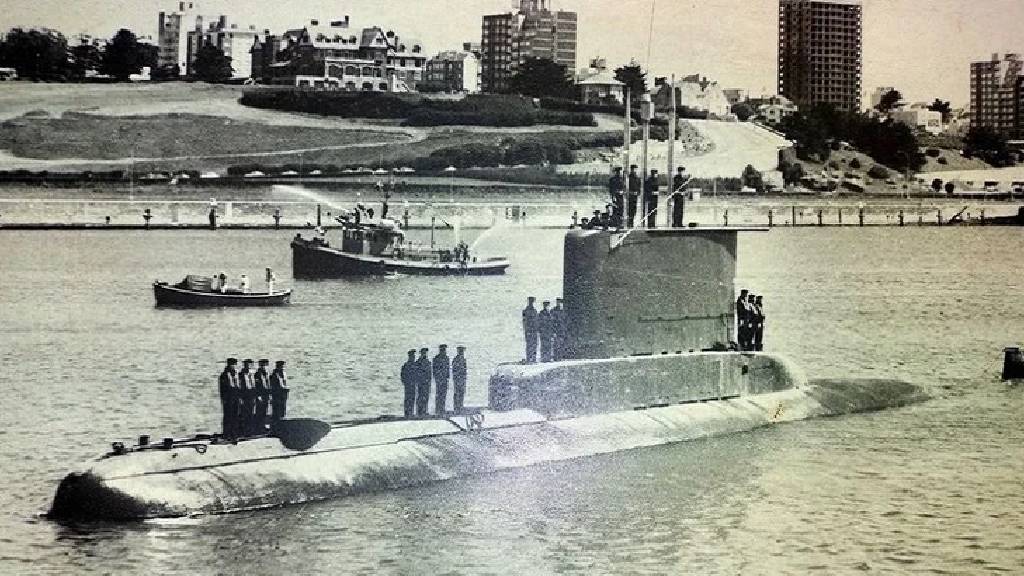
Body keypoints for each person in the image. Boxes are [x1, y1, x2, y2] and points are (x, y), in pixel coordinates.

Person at [219, 358, 240, 439]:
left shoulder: (236, 374)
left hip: (236, 397)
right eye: (232, 365)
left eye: (234, 365)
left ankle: (234, 433)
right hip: (228, 398)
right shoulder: (224, 375)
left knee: (235, 416)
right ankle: (227, 433)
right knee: (228, 416)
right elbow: (222, 389)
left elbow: (238, 387)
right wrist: (224, 399)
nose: (233, 366)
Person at [237, 359, 255, 436]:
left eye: (250, 366)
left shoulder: (252, 375)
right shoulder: (240, 375)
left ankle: (249, 431)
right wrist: (240, 398)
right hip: (244, 396)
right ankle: (242, 431)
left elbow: (254, 386)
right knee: (243, 413)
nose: (248, 367)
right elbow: (239, 387)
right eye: (247, 365)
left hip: (251, 395)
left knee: (250, 413)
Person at [253, 359, 271, 434]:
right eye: (263, 365)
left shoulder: (267, 374)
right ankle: (258, 427)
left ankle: (262, 426)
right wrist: (258, 396)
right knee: (259, 411)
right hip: (260, 395)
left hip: (266, 395)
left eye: (266, 365)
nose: (264, 367)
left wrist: (270, 395)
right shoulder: (257, 374)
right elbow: (256, 386)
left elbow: (269, 385)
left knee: (264, 411)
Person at [433, 345, 451, 415]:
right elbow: (434, 369)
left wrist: (447, 378)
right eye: (443, 350)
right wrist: (437, 378)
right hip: (439, 379)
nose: (444, 351)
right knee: (439, 394)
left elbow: (447, 369)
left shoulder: (446, 358)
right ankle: (438, 409)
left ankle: (442, 409)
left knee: (443, 395)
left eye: (444, 350)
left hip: (444, 379)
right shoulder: (436, 358)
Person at [415, 348, 432, 416]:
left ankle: (424, 411)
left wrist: (429, 381)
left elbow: (429, 373)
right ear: (421, 353)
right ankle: (419, 411)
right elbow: (416, 373)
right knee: (420, 397)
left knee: (426, 397)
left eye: (425, 353)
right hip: (421, 383)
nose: (424, 354)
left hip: (427, 383)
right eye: (423, 353)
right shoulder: (418, 362)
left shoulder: (428, 362)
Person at [522, 296, 539, 363]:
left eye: (532, 301)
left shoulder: (535, 311)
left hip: (534, 330)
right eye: (530, 301)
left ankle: (533, 359)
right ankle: (529, 359)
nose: (531, 303)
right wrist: (526, 330)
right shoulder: (525, 311)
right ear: (528, 301)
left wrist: (537, 330)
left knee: (534, 344)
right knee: (529, 345)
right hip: (529, 330)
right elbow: (524, 322)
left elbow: (536, 321)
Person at [401, 350, 417, 417]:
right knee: (408, 398)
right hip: (408, 385)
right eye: (412, 356)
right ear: (409, 357)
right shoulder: (406, 365)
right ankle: (407, 413)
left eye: (414, 356)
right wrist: (406, 382)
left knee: (412, 398)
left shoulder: (415, 365)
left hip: (413, 384)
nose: (413, 357)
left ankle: (411, 412)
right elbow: (402, 375)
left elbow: (417, 375)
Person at [452, 346, 467, 413]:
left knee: (461, 393)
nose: (462, 352)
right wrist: (457, 378)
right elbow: (454, 370)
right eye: (461, 351)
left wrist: (464, 378)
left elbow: (465, 370)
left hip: (462, 379)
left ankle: (460, 406)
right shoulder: (456, 359)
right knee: (457, 393)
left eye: (462, 351)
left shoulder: (463, 360)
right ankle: (456, 407)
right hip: (457, 379)